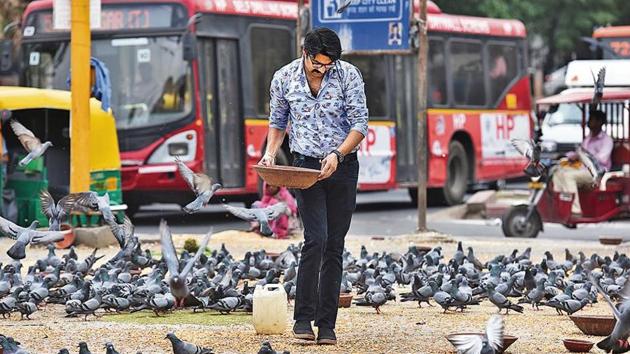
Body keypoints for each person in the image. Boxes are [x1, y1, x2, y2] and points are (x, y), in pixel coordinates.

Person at [259, 27, 368, 345]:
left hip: (342, 165)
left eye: (328, 65)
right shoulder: (284, 78)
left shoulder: (348, 75)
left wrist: (338, 153)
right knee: (315, 239)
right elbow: (278, 122)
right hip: (305, 166)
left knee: (334, 244)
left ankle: (327, 325)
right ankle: (303, 319)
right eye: (318, 63)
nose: (323, 69)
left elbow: (360, 123)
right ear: (304, 53)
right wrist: (269, 153)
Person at [552, 110, 613, 215]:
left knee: (568, 176)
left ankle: (575, 210)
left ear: (599, 122)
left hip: (596, 174)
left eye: (591, 120)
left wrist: (584, 156)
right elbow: (579, 152)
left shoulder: (607, 140)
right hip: (583, 170)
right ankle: (561, 205)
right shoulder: (588, 139)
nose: (588, 123)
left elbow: (602, 159)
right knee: (558, 172)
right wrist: (566, 156)